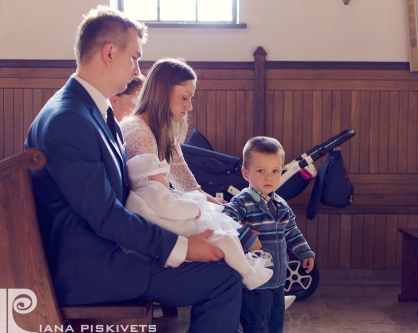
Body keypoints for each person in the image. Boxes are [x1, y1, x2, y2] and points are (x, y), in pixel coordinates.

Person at [24, 6, 241, 333]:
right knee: (224, 277)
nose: (138, 68)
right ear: (109, 52)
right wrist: (180, 246)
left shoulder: (90, 110)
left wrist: (183, 228)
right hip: (94, 270)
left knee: (223, 259)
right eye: (135, 58)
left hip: (106, 256)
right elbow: (105, 216)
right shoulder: (68, 119)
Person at [125, 153, 273, 290]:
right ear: (150, 177)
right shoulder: (151, 189)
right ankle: (248, 274)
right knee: (225, 239)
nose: (166, 178)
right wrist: (194, 209)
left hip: (183, 231)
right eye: (163, 175)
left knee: (228, 235)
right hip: (185, 232)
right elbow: (169, 208)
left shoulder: (148, 192)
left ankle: (246, 265)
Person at [222, 136, 316, 333]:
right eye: (261, 171)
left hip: (278, 281)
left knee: (275, 326)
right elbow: (225, 219)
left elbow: (291, 231)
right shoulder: (243, 201)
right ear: (245, 173)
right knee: (256, 327)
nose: (269, 177)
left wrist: (304, 252)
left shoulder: (281, 204)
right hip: (255, 284)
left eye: (275, 171)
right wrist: (246, 236)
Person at [120, 57, 224, 205]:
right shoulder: (138, 132)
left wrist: (222, 209)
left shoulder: (165, 134)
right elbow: (153, 202)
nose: (189, 107)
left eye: (190, 99)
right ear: (163, 91)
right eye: (184, 98)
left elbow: (189, 187)